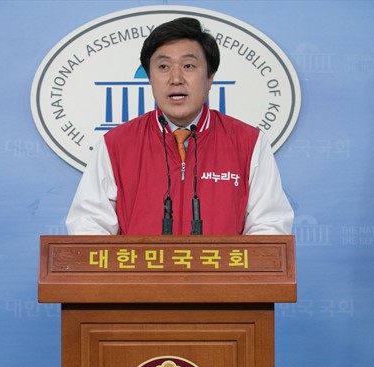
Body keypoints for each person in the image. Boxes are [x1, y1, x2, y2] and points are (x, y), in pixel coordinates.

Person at [66, 17, 293, 235]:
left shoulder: (248, 143)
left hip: (219, 265)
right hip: (139, 265)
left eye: (188, 66)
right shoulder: (116, 144)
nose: (176, 78)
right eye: (163, 66)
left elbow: (269, 227)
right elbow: (88, 226)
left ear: (211, 77)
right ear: (149, 77)